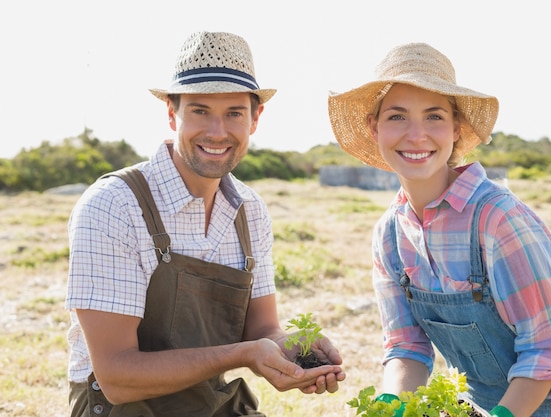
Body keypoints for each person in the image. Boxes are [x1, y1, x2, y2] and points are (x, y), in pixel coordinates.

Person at [65, 31, 344, 417]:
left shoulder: (250, 211)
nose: (217, 132)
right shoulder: (114, 205)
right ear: (171, 112)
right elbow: (116, 376)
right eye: (199, 111)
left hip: (213, 404)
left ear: (255, 118)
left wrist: (292, 348)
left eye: (234, 113)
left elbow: (261, 330)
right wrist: (245, 354)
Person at [328, 42, 551, 417]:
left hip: (544, 407)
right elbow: (406, 346)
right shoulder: (389, 236)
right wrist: (392, 405)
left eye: (434, 117)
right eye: (397, 117)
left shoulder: (498, 218)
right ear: (373, 127)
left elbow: (547, 349)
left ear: (456, 128)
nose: (416, 135)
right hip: (475, 406)